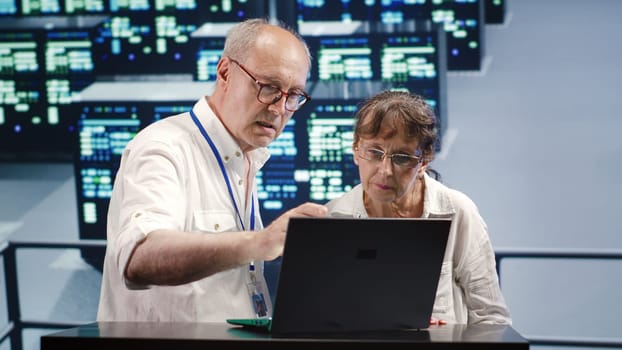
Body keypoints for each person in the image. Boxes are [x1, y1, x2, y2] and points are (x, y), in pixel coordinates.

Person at [97, 18, 327, 322]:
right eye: (269, 88)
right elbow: (139, 257)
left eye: (293, 95)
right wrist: (261, 242)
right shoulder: (163, 147)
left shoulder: (246, 156)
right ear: (225, 72)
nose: (278, 109)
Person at [326, 90, 512, 324]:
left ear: (424, 160)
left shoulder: (457, 212)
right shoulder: (332, 217)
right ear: (356, 150)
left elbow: (492, 319)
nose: (385, 171)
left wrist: (444, 337)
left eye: (402, 157)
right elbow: (320, 322)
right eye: (374, 152)